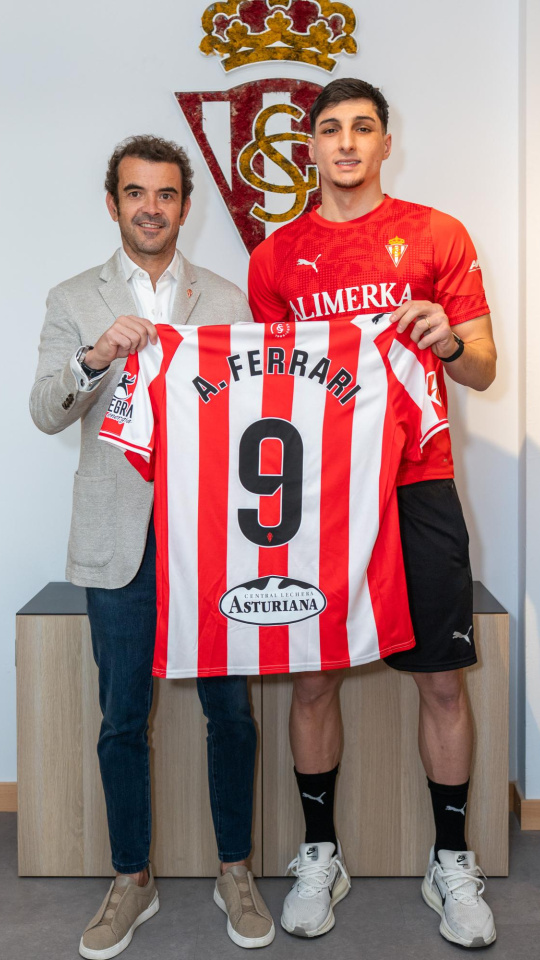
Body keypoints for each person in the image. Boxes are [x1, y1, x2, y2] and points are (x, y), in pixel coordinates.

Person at [248, 78, 497, 949]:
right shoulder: (276, 258)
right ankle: (321, 853)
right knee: (312, 674)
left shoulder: (438, 235)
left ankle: (451, 862)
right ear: (308, 147)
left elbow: (483, 370)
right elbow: (267, 395)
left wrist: (449, 338)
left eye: (363, 129)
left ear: (386, 142)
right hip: (321, 492)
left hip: (419, 482)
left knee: (440, 678)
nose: (346, 143)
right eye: (330, 130)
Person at [30, 135, 274, 958]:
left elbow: (260, 414)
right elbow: (45, 411)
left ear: (183, 206)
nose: (150, 208)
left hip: (216, 546)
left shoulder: (227, 298)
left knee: (230, 714)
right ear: (113, 203)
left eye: (165, 195)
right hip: (120, 542)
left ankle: (233, 869)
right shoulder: (75, 297)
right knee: (121, 717)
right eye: (135, 193)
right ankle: (131, 879)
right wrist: (97, 356)